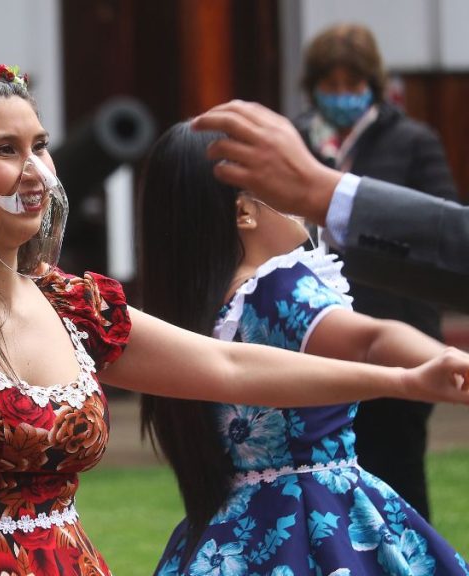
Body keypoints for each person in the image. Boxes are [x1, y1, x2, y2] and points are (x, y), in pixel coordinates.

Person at [0, 55, 469, 575]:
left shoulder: (76, 305)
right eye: (6, 150)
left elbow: (229, 366)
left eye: (40, 145)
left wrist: (403, 381)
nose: (36, 170)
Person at [140, 122, 468, 574]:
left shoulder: (197, 313)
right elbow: (371, 339)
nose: (298, 203)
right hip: (319, 524)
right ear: (244, 213)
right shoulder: (280, 290)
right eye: (279, 188)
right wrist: (445, 362)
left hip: (229, 536)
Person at [292, 23, 459, 520]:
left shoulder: (411, 140)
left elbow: (440, 228)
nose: (342, 96)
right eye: (331, 85)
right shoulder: (295, 140)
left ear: (374, 84)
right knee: (326, 491)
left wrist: (353, 209)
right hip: (312, 338)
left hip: (396, 333)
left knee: (399, 483)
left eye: (353, 85)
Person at [191, 100, 469, 312]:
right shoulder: (286, 294)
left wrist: (321, 192)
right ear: (244, 211)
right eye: (278, 196)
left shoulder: (209, 298)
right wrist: (407, 376)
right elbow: (370, 343)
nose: (302, 214)